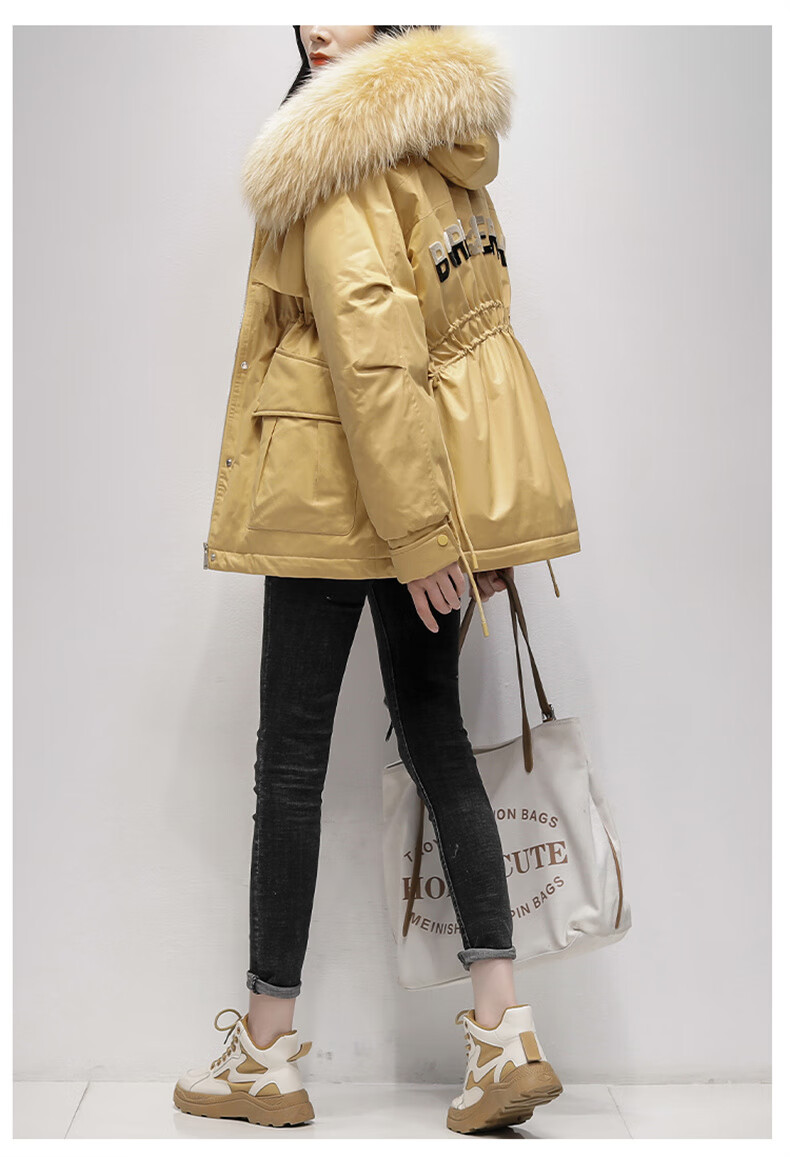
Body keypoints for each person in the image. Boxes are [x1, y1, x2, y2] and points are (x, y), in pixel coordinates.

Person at [174, 24, 579, 1134]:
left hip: (335, 489)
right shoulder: (448, 151)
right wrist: (458, 518)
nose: (315, 21)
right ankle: (503, 1033)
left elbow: (372, 350)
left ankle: (265, 1054)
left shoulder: (338, 147)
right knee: (437, 734)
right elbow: (469, 347)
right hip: (428, 493)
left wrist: (419, 534)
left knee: (291, 762)